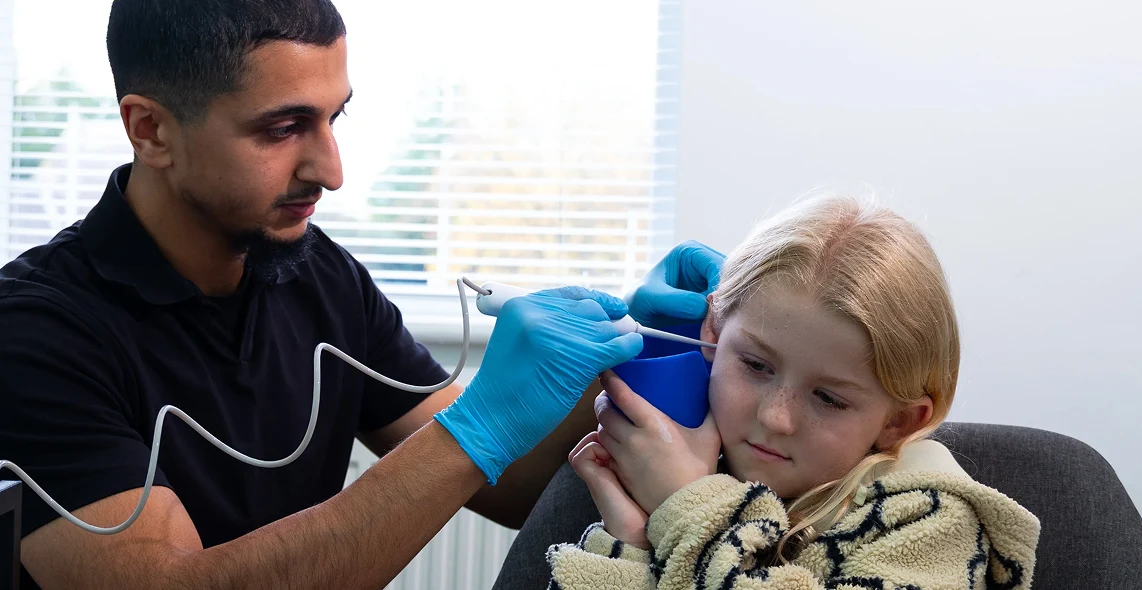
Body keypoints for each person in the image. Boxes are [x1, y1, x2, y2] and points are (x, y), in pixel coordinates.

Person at [0, 1, 720, 588]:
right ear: (150, 129)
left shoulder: (315, 275)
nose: (332, 170)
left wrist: (629, 368)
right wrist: (479, 427)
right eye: (283, 128)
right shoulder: (34, 334)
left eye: (333, 117)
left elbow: (507, 490)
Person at [547, 196, 1042, 589]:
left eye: (828, 398)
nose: (776, 418)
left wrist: (687, 509)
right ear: (713, 334)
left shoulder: (928, 526)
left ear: (900, 421)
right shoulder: (665, 461)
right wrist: (634, 543)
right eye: (756, 365)